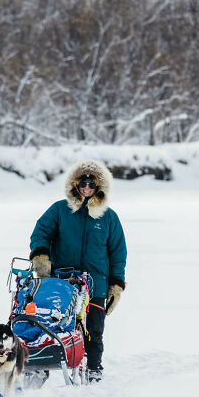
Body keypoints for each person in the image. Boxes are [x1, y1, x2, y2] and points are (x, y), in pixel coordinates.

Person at [29, 159, 127, 383]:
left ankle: (94, 371)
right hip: (62, 283)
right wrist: (41, 256)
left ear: (99, 187)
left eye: (92, 185)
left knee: (94, 331)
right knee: (51, 325)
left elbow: (118, 253)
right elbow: (40, 232)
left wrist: (116, 285)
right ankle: (40, 367)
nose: (87, 188)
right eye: (83, 183)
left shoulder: (109, 217)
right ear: (75, 184)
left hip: (96, 285)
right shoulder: (59, 210)